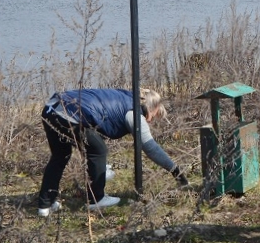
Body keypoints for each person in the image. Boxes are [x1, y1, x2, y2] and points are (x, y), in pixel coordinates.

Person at [37, 87, 189, 217]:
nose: (150, 121)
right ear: (151, 107)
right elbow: (150, 148)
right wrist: (176, 171)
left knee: (60, 156)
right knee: (98, 150)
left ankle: (45, 205)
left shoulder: (123, 97)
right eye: (154, 116)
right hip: (72, 113)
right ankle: (97, 200)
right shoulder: (134, 112)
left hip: (51, 108)